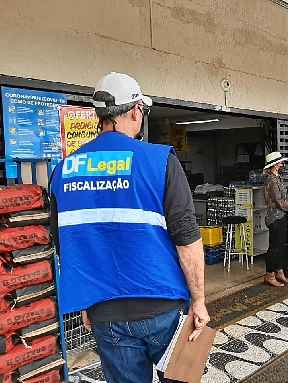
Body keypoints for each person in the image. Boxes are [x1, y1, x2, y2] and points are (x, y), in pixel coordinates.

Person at [50, 72, 210, 383]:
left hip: (105, 314)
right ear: (136, 110)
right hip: (163, 308)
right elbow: (187, 238)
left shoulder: (63, 171)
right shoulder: (159, 160)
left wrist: (88, 301)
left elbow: (64, 244)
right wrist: (199, 300)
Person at [263, 152, 288, 287]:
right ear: (274, 164)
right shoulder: (272, 180)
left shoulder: (277, 177)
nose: (282, 164)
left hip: (281, 216)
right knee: (274, 247)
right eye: (279, 162)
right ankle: (269, 274)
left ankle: (279, 271)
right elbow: (280, 202)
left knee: (280, 246)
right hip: (275, 218)